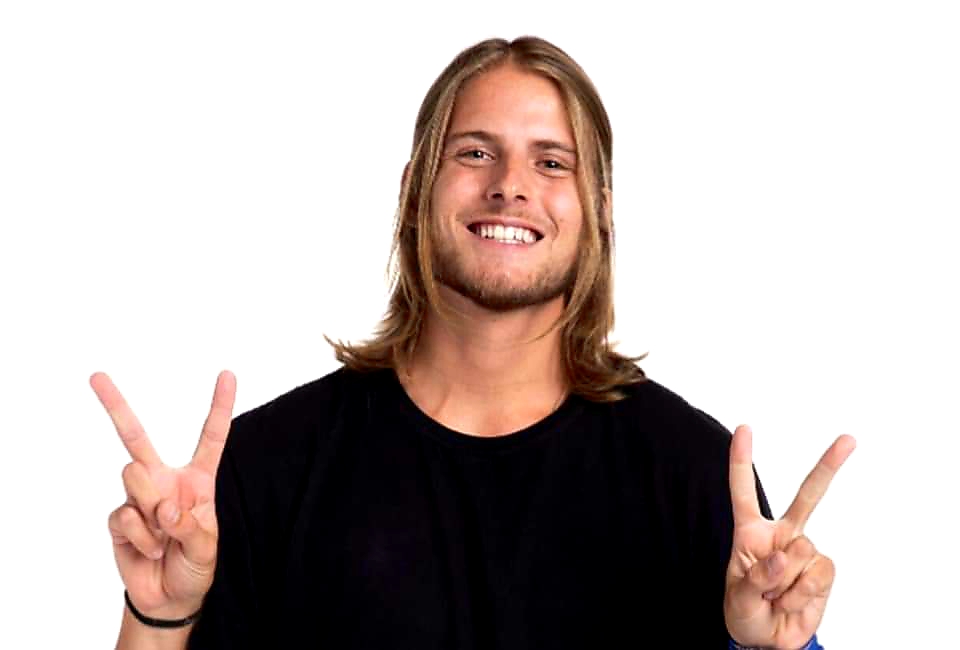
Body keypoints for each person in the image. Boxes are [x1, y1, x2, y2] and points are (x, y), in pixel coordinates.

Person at [95, 36, 856, 649]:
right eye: (474, 153)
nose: (510, 186)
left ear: (599, 211)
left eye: (551, 162)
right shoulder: (265, 467)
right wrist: (159, 616)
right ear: (414, 190)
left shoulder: (694, 474)